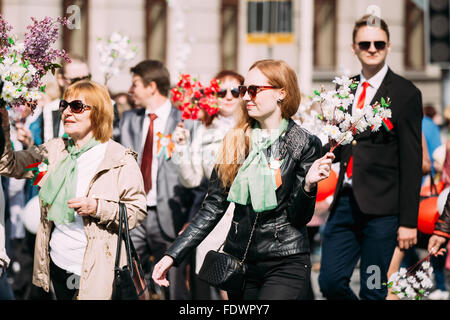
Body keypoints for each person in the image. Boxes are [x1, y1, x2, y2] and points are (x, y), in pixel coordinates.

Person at [152, 59, 335, 300]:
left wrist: (308, 186)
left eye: (254, 90)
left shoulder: (304, 142)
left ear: (281, 93)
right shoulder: (234, 140)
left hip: (285, 261)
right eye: (243, 90)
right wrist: (172, 255)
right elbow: (213, 206)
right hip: (239, 263)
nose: (246, 97)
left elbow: (299, 217)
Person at [0, 80, 147, 299]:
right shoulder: (54, 150)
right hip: (57, 262)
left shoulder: (120, 159)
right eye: (64, 105)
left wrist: (97, 207)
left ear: (97, 113)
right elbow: (8, 164)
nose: (67, 112)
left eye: (76, 106)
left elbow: (137, 212)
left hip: (97, 269)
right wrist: (2, 121)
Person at [318, 14, 423, 300]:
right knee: (329, 282)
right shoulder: (343, 89)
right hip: (344, 206)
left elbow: (412, 162)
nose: (372, 48)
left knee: (374, 289)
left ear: (388, 46)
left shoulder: (405, 93)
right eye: (365, 43)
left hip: (383, 214)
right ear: (354, 47)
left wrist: (408, 221)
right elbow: (336, 144)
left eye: (379, 43)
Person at [118, 60, 198, 300]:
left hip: (172, 214)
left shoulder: (186, 121)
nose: (131, 91)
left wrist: (191, 218)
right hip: (135, 211)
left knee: (174, 285)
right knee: (127, 276)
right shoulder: (129, 119)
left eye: (135, 85)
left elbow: (196, 175)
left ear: (152, 86)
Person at [171, 70, 244, 299]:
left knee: (241, 278)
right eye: (222, 91)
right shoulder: (203, 130)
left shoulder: (255, 126)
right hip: (217, 212)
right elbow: (191, 179)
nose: (229, 96)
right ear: (211, 96)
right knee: (216, 273)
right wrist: (181, 147)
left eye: (237, 90)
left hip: (248, 212)